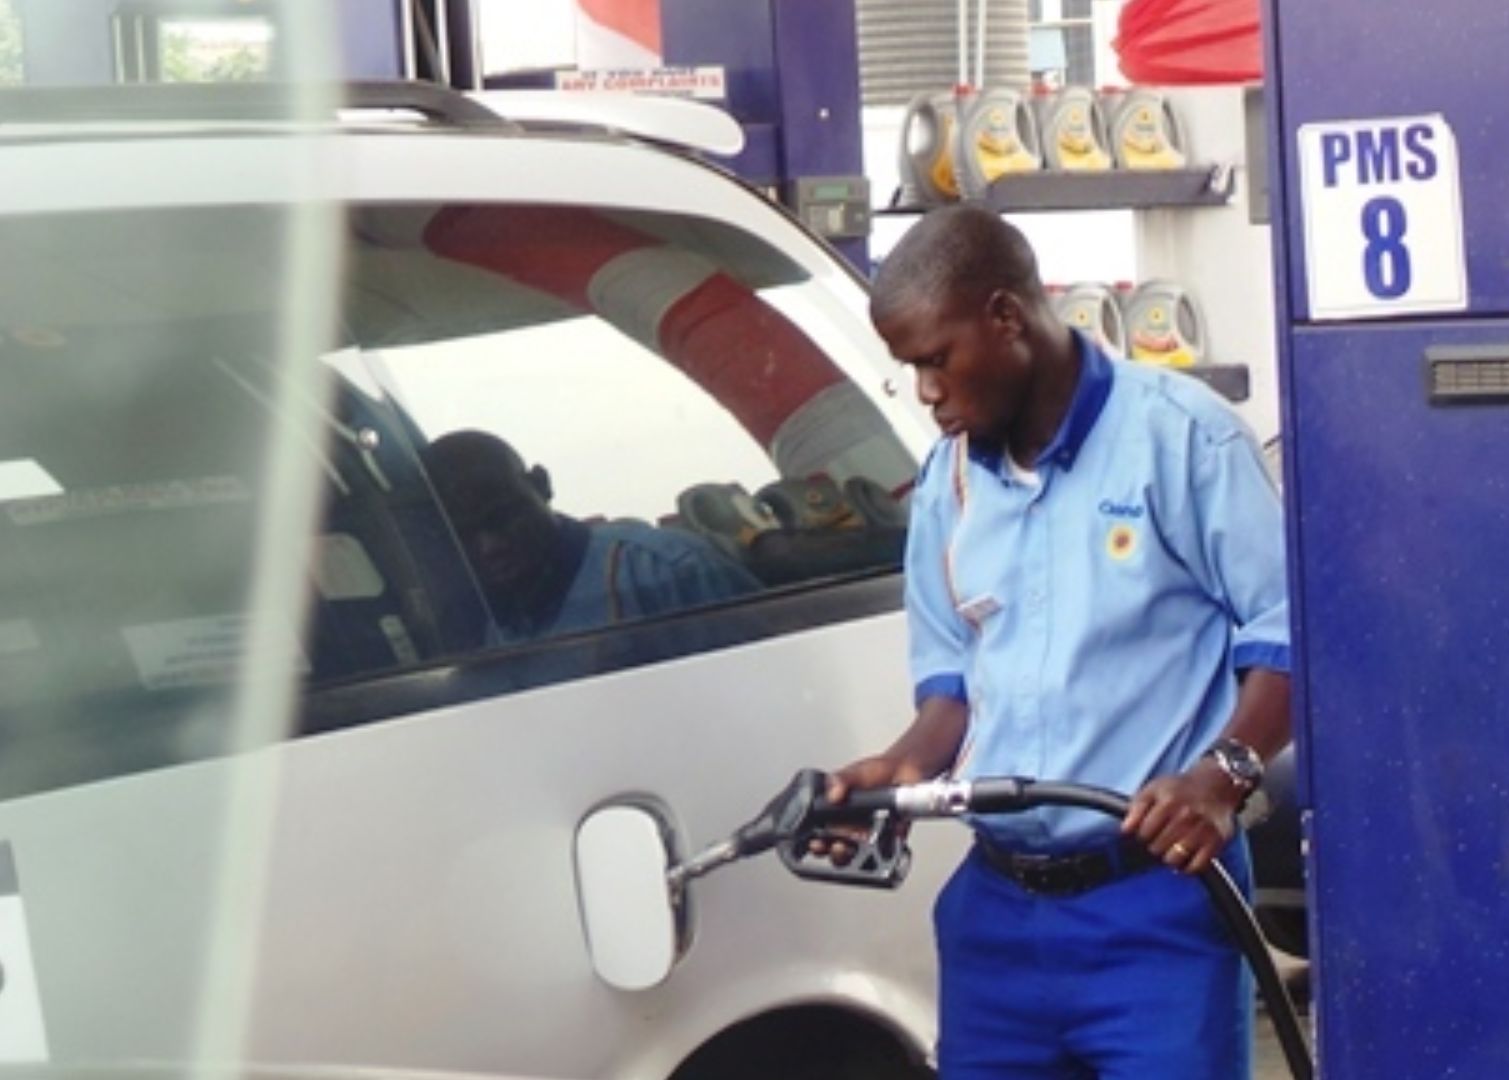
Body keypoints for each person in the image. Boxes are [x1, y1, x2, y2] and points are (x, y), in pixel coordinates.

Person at [823, 205, 1293, 1079]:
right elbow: (951, 694)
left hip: (1156, 913)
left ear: (1006, 317)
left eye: (935, 360)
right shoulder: (949, 486)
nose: (927, 394)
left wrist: (1220, 777)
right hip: (996, 920)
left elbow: (1290, 638)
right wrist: (890, 776)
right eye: (912, 370)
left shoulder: (1181, 437)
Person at [422, 430, 759, 642]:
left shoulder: (667, 570)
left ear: (542, 485)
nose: (490, 545)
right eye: (463, 535)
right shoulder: (467, 624)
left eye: (503, 517)